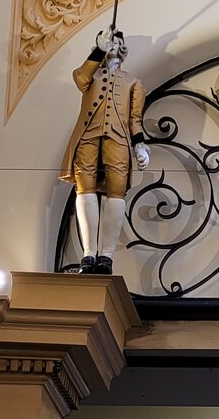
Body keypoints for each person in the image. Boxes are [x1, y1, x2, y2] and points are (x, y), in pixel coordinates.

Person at [59, 28, 150, 274]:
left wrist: (140, 144)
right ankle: (89, 254)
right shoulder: (91, 75)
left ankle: (106, 255)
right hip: (87, 136)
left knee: (116, 190)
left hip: (118, 140)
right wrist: (98, 50)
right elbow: (79, 79)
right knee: (84, 187)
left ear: (124, 49)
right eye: (110, 42)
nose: (114, 46)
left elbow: (135, 119)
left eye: (117, 42)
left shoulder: (133, 82)